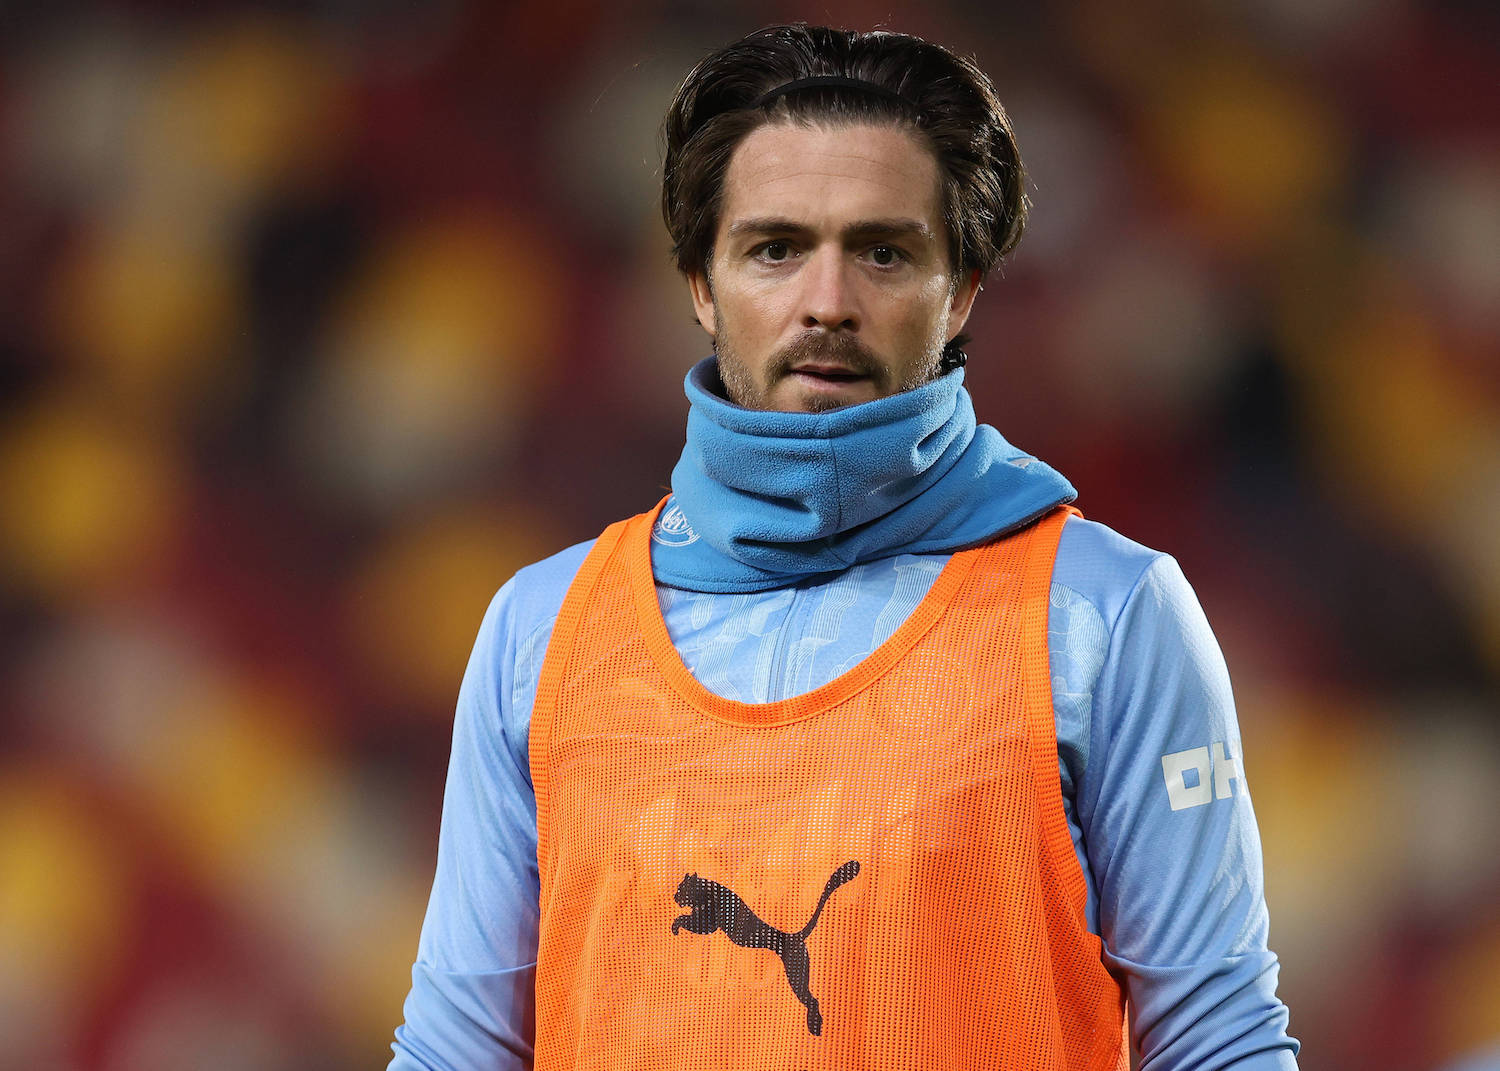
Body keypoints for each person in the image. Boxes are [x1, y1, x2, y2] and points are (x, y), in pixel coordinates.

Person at [389, 24, 1299, 1070]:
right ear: (699, 282)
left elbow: (1217, 1040)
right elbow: (459, 1049)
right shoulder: (539, 634)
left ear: (959, 291)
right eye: (775, 248)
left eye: (883, 251)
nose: (827, 304)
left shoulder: (1106, 616)